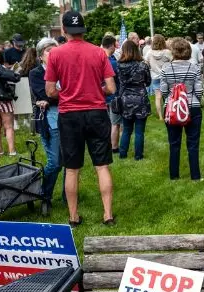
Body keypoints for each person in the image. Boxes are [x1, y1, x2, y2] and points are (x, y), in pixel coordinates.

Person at [45, 10, 117, 227]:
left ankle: (73, 217)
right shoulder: (98, 53)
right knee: (102, 166)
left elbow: (49, 91)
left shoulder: (55, 54)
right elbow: (111, 87)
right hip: (96, 113)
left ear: (64, 30)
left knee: (72, 168)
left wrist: (67, 93)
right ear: (83, 29)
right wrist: (94, 90)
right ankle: (108, 215)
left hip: (69, 115)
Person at [160, 37, 204, 181]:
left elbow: (164, 91)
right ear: (188, 51)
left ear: (173, 51)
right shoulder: (194, 68)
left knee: (174, 143)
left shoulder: (166, 69)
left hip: (172, 108)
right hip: (192, 107)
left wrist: (172, 99)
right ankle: (195, 176)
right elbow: (199, 91)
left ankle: (174, 176)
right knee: (193, 144)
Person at [29, 38, 63, 209]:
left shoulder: (63, 69)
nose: (53, 53)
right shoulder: (36, 73)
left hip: (68, 120)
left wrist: (55, 96)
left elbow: (53, 96)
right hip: (51, 122)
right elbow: (45, 94)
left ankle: (68, 195)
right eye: (49, 51)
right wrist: (63, 95)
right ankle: (45, 195)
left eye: (55, 50)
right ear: (40, 56)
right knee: (55, 163)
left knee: (70, 163)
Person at [117, 41, 151, 160]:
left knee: (126, 129)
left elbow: (119, 82)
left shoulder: (119, 65)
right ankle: (138, 155)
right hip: (140, 98)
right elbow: (148, 82)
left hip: (125, 98)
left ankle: (122, 153)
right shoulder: (143, 65)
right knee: (139, 131)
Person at [101, 35, 121, 154]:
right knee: (115, 124)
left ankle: (105, 144)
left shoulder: (96, 57)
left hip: (100, 96)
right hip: (112, 96)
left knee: (105, 123)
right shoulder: (111, 62)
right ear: (112, 45)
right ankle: (114, 147)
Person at [146, 34, 172, 121]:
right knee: (168, 96)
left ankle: (161, 117)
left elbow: (146, 63)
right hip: (166, 76)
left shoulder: (149, 53)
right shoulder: (167, 52)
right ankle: (169, 113)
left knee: (158, 97)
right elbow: (173, 61)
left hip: (155, 77)